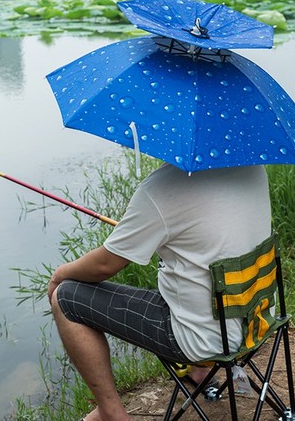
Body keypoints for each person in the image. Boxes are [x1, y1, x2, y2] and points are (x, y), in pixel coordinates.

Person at [48, 162, 272, 421]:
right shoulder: (252, 167)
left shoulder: (162, 187)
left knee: (66, 297)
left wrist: (59, 274)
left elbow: (104, 265)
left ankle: (111, 413)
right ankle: (200, 371)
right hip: (257, 319)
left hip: (201, 339)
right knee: (191, 288)